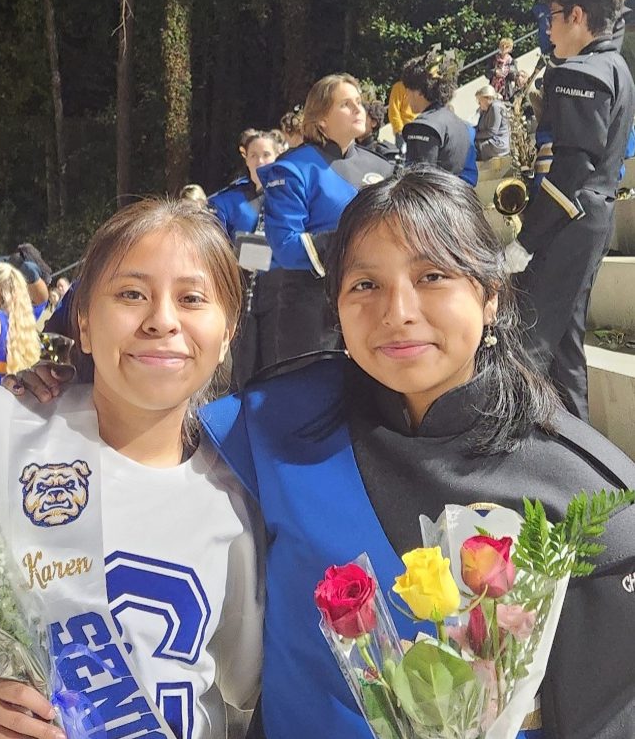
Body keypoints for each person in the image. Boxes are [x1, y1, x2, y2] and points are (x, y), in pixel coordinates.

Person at [199, 169, 635, 739]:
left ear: (491, 297)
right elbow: (141, 461)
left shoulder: (581, 493)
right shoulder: (275, 423)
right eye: (365, 285)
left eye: (432, 276)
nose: (398, 311)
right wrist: (62, 401)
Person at [0, 199, 263, 739]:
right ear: (86, 324)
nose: (162, 319)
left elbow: (242, 694)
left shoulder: (242, 491)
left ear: (228, 331)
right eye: (131, 294)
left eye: (192, 298)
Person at [505, 0, 635, 421]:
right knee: (565, 351)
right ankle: (583, 458)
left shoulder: (578, 72)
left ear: (577, 16)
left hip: (569, 226)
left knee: (527, 343)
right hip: (592, 220)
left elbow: (572, 174)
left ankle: (521, 461)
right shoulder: (615, 67)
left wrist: (526, 243)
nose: (547, 27)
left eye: (552, 16)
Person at [258, 73, 395, 360]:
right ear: (320, 119)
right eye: (346, 104)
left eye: (359, 102)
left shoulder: (382, 169)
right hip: (313, 312)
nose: (359, 109)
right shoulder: (293, 169)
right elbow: (285, 246)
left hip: (375, 306)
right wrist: (355, 241)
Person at [208, 130, 285, 387]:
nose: (261, 161)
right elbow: (213, 246)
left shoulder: (291, 197)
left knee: (276, 366)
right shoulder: (228, 200)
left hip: (281, 295)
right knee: (243, 369)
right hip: (242, 294)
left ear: (278, 156)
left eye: (267, 155)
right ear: (246, 160)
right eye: (254, 156)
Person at [400, 49, 478, 184]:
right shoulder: (466, 128)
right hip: (461, 200)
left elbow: (417, 183)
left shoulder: (423, 126)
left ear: (419, 91)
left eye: (408, 91)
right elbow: (471, 176)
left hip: (433, 202)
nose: (406, 97)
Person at [474, 84, 511, 160]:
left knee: (472, 147)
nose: (478, 103)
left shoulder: (495, 107)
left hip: (497, 144)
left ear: (487, 98)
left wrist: (474, 136)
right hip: (489, 140)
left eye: (479, 100)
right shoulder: (485, 110)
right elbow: (479, 127)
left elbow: (492, 132)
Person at [387, 79, 417, 152]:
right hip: (404, 131)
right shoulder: (399, 87)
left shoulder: (422, 87)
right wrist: (399, 130)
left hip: (420, 129)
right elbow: (393, 111)